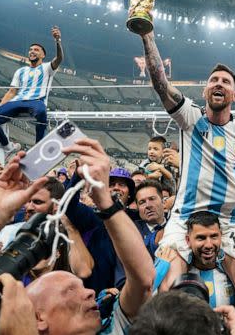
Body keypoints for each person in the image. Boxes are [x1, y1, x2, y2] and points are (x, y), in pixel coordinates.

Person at [140, 30, 235, 311]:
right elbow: (161, 83)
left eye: (225, 82)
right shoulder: (190, 117)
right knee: (166, 286)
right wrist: (147, 36)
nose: (218, 84)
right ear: (205, 91)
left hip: (228, 220)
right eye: (213, 80)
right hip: (185, 217)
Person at [27, 138, 155, 335]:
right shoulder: (94, 219)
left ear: (130, 194)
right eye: (111, 184)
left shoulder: (138, 222)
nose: (116, 188)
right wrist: (79, 175)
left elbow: (144, 278)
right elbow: (68, 206)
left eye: (122, 185)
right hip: (95, 300)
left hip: (126, 300)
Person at [0, 26, 63, 156]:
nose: (32, 51)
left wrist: (58, 41)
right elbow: (11, 92)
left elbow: (59, 58)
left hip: (36, 101)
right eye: (31, 49)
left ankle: (38, 149)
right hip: (17, 101)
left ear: (43, 55)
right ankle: (8, 146)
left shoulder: (47, 67)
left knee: (42, 112)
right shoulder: (20, 71)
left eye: (36, 50)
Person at [115, 179, 167, 289]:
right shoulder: (129, 232)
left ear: (163, 201)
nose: (148, 205)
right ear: (138, 208)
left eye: (152, 199)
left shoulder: (177, 227)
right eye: (142, 202)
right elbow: (122, 279)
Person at [183, 211, 235, 308]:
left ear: (221, 236)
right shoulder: (181, 275)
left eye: (214, 236)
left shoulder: (234, 274)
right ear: (188, 240)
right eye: (201, 238)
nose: (208, 245)